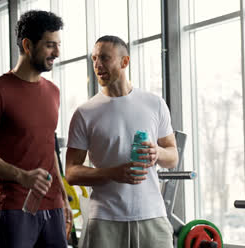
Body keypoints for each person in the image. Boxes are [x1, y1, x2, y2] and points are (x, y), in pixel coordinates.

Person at [0, 10, 72, 248]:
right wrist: (21, 176)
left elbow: (49, 148)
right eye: (49, 45)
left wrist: (63, 197)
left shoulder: (53, 92)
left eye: (58, 45)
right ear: (27, 45)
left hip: (52, 205)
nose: (57, 53)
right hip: (14, 207)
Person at [65, 35, 178, 248]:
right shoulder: (84, 113)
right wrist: (112, 173)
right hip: (105, 220)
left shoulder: (154, 103)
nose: (97, 65)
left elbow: (172, 157)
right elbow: (71, 173)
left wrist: (158, 153)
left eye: (105, 58)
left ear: (124, 62)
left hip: (152, 216)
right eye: (94, 58)